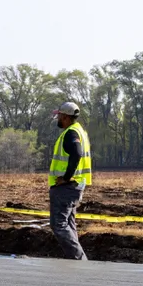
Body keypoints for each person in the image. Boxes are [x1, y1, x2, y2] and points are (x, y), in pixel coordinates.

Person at [47, 102, 92, 260]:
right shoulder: (80, 131)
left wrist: (66, 177)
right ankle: (76, 260)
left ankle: (79, 259)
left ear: (65, 117)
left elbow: (77, 153)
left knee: (58, 225)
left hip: (66, 187)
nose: (57, 118)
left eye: (59, 115)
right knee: (69, 223)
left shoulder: (71, 133)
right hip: (76, 185)